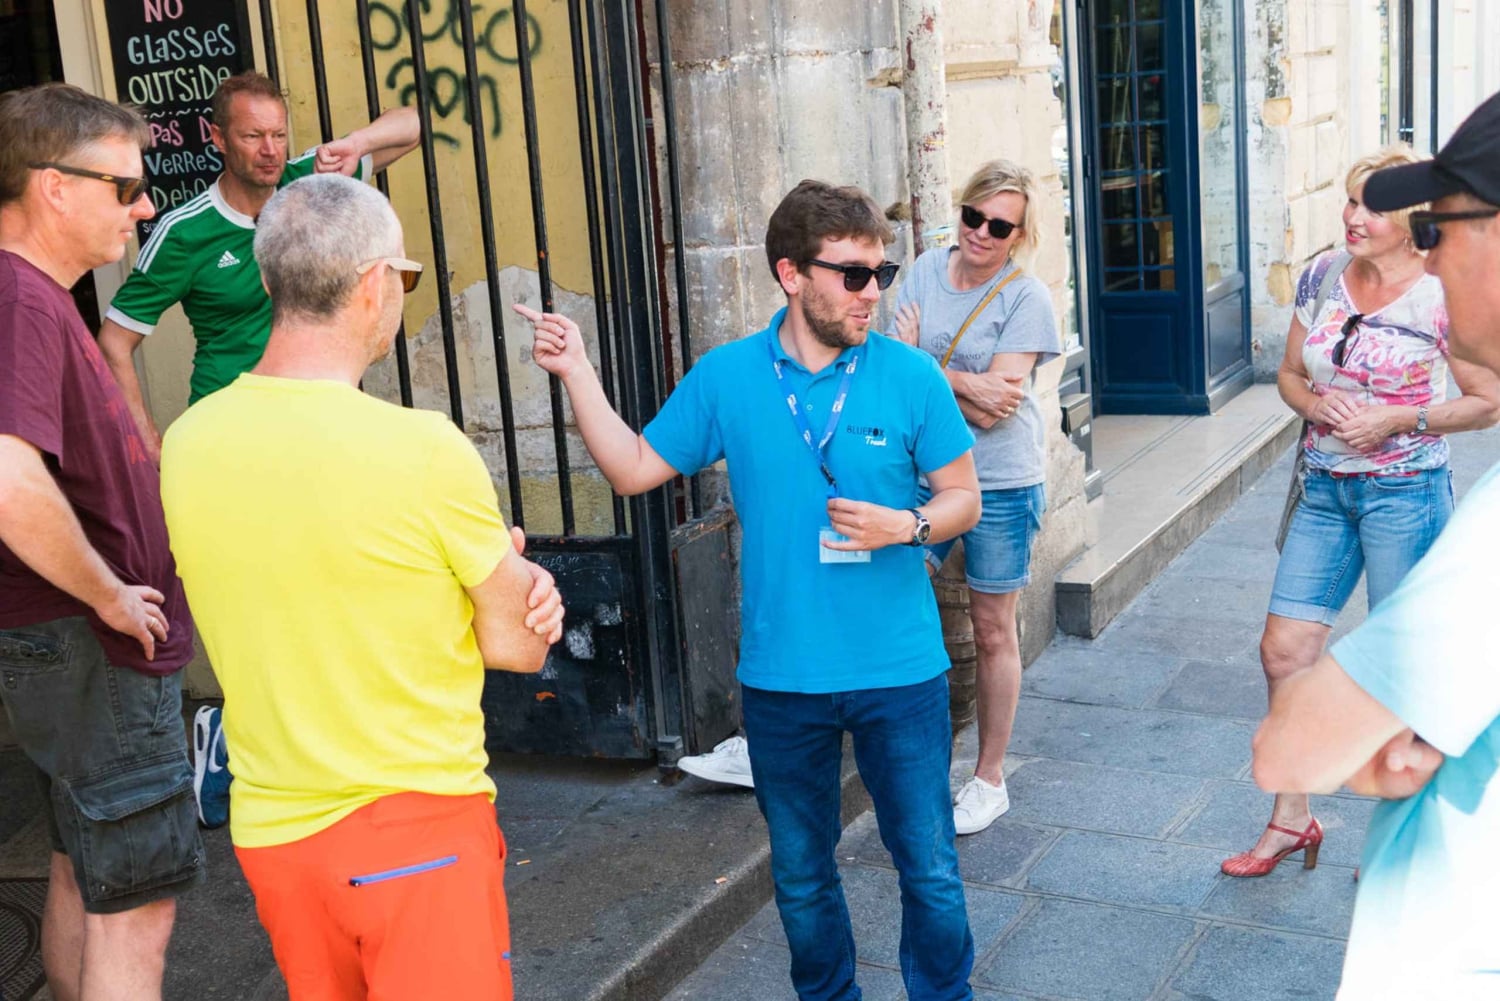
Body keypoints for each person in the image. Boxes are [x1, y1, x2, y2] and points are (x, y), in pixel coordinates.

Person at [516, 179, 982, 1000]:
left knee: (931, 869)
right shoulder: (729, 376)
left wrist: (906, 525)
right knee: (801, 878)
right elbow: (633, 468)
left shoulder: (911, 376)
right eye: (852, 274)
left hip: (901, 671)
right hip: (782, 680)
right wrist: (577, 370)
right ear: (790, 274)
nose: (872, 292)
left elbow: (963, 498)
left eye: (881, 273)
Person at [158, 174, 565, 1000]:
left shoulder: (187, 441)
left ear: (267, 280)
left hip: (273, 831)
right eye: (405, 276)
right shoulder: (425, 450)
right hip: (416, 825)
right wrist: (513, 580)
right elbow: (518, 645)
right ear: (375, 284)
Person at [1253, 89, 1500, 998]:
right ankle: (1295, 825)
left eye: (1437, 229)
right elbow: (1291, 373)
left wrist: (1385, 716)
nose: (1433, 255)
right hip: (1326, 484)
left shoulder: (1490, 535)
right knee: (1289, 646)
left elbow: (1295, 743)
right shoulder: (1324, 276)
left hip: (1454, 953)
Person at [0, 83, 202, 1001]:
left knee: (85, 869)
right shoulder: (22, 300)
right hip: (91, 650)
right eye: (124, 186)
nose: (144, 206)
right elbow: (9, 478)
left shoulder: (34, 296)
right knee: (135, 908)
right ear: (54, 186)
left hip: (73, 652)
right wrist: (108, 592)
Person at [98, 71, 421, 459]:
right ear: (219, 138)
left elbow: (413, 126)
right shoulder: (183, 233)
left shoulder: (309, 183)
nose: (270, 150)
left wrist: (356, 144)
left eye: (279, 135)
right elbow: (114, 341)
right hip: (229, 428)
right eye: (253, 136)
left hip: (313, 418)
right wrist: (148, 443)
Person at [892, 159, 1061, 835]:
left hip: (1002, 481)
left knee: (992, 629)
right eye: (973, 216)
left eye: (1000, 226)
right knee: (881, 589)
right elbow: (894, 373)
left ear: (1019, 235)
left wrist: (923, 366)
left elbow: (998, 410)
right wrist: (965, 381)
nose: (982, 233)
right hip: (925, 476)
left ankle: (989, 780)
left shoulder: (1027, 298)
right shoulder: (922, 273)